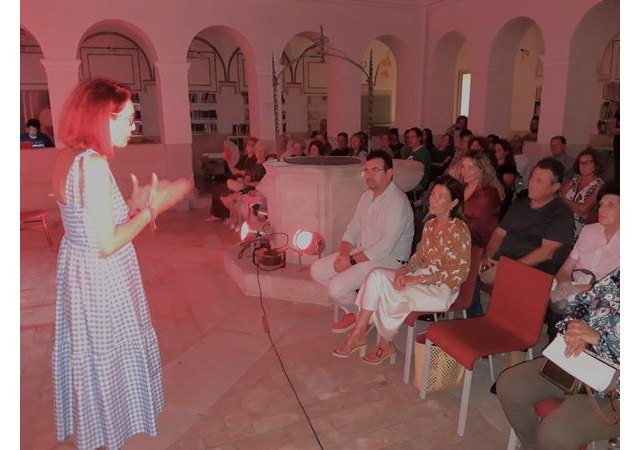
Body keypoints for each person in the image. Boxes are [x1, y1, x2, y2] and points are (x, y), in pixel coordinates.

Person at [50, 78, 192, 450]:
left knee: (91, 349)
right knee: (110, 349)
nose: (134, 126)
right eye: (127, 119)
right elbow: (109, 242)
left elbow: (90, 222)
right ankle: (112, 427)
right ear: (101, 118)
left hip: (79, 270)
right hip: (102, 275)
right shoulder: (94, 166)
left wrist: (130, 205)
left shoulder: (68, 156)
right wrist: (151, 209)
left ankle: (97, 420)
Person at [333, 175, 471, 364]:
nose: (432, 199)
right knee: (376, 276)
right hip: (420, 277)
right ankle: (359, 330)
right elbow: (420, 256)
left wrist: (416, 280)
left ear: (454, 202)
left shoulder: (458, 230)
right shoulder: (430, 225)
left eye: (440, 196)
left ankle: (384, 343)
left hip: (442, 289)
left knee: (389, 293)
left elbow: (458, 273)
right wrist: (403, 271)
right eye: (433, 194)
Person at [497, 267, 620, 449]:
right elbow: (581, 304)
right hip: (582, 361)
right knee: (510, 384)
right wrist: (574, 328)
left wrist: (598, 340)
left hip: (616, 392)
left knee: (554, 434)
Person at [310, 151, 414, 333]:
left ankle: (364, 314)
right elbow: (352, 230)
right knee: (317, 270)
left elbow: (384, 247)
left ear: (389, 173)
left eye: (375, 170)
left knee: (337, 288)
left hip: (389, 260)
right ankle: (357, 311)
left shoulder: (397, 202)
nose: (369, 175)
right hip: (362, 253)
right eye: (366, 171)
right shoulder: (366, 196)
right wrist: (343, 255)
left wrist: (350, 261)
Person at [480, 157, 574, 285]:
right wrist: (487, 257)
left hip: (533, 269)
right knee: (468, 267)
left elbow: (546, 253)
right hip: (504, 261)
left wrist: (509, 268)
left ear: (555, 187)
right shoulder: (520, 204)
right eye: (532, 177)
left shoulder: (561, 213)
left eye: (539, 181)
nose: (531, 183)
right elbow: (499, 234)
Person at [545, 181, 619, 342]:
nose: (601, 209)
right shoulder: (589, 231)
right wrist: (565, 285)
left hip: (604, 298)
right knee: (554, 302)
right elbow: (565, 270)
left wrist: (581, 289)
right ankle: (555, 346)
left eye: (610, 205)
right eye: (600, 205)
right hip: (575, 287)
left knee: (565, 310)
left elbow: (617, 288)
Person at [459, 151, 502, 318]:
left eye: (471, 167)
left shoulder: (487, 193)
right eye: (463, 166)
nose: (465, 171)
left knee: (463, 259)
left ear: (482, 170)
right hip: (465, 237)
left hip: (481, 242)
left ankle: (474, 313)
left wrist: (452, 235)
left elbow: (479, 225)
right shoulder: (463, 188)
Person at [221, 140, 268, 230]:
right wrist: (243, 181)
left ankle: (240, 222)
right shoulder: (254, 164)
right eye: (257, 150)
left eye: (261, 151)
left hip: (256, 189)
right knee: (227, 198)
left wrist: (246, 183)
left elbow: (260, 183)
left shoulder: (265, 166)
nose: (258, 153)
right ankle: (238, 220)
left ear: (265, 153)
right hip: (247, 187)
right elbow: (248, 176)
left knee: (235, 201)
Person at [559, 148, 604, 240]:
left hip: (581, 227)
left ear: (595, 164)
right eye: (581, 162)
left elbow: (584, 209)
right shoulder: (574, 180)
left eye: (587, 162)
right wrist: (577, 207)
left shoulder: (599, 185)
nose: (583, 165)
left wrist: (564, 199)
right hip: (561, 219)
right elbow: (558, 198)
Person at [493, 138, 519, 218]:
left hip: (502, 203)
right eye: (495, 150)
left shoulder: (509, 169)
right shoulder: (493, 166)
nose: (495, 152)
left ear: (506, 152)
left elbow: (505, 189)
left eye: (499, 150)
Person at [405, 127, 431, 193]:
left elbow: (418, 172)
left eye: (412, 137)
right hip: (408, 179)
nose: (409, 139)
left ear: (419, 138)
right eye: (408, 137)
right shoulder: (408, 151)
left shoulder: (424, 152)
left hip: (419, 182)